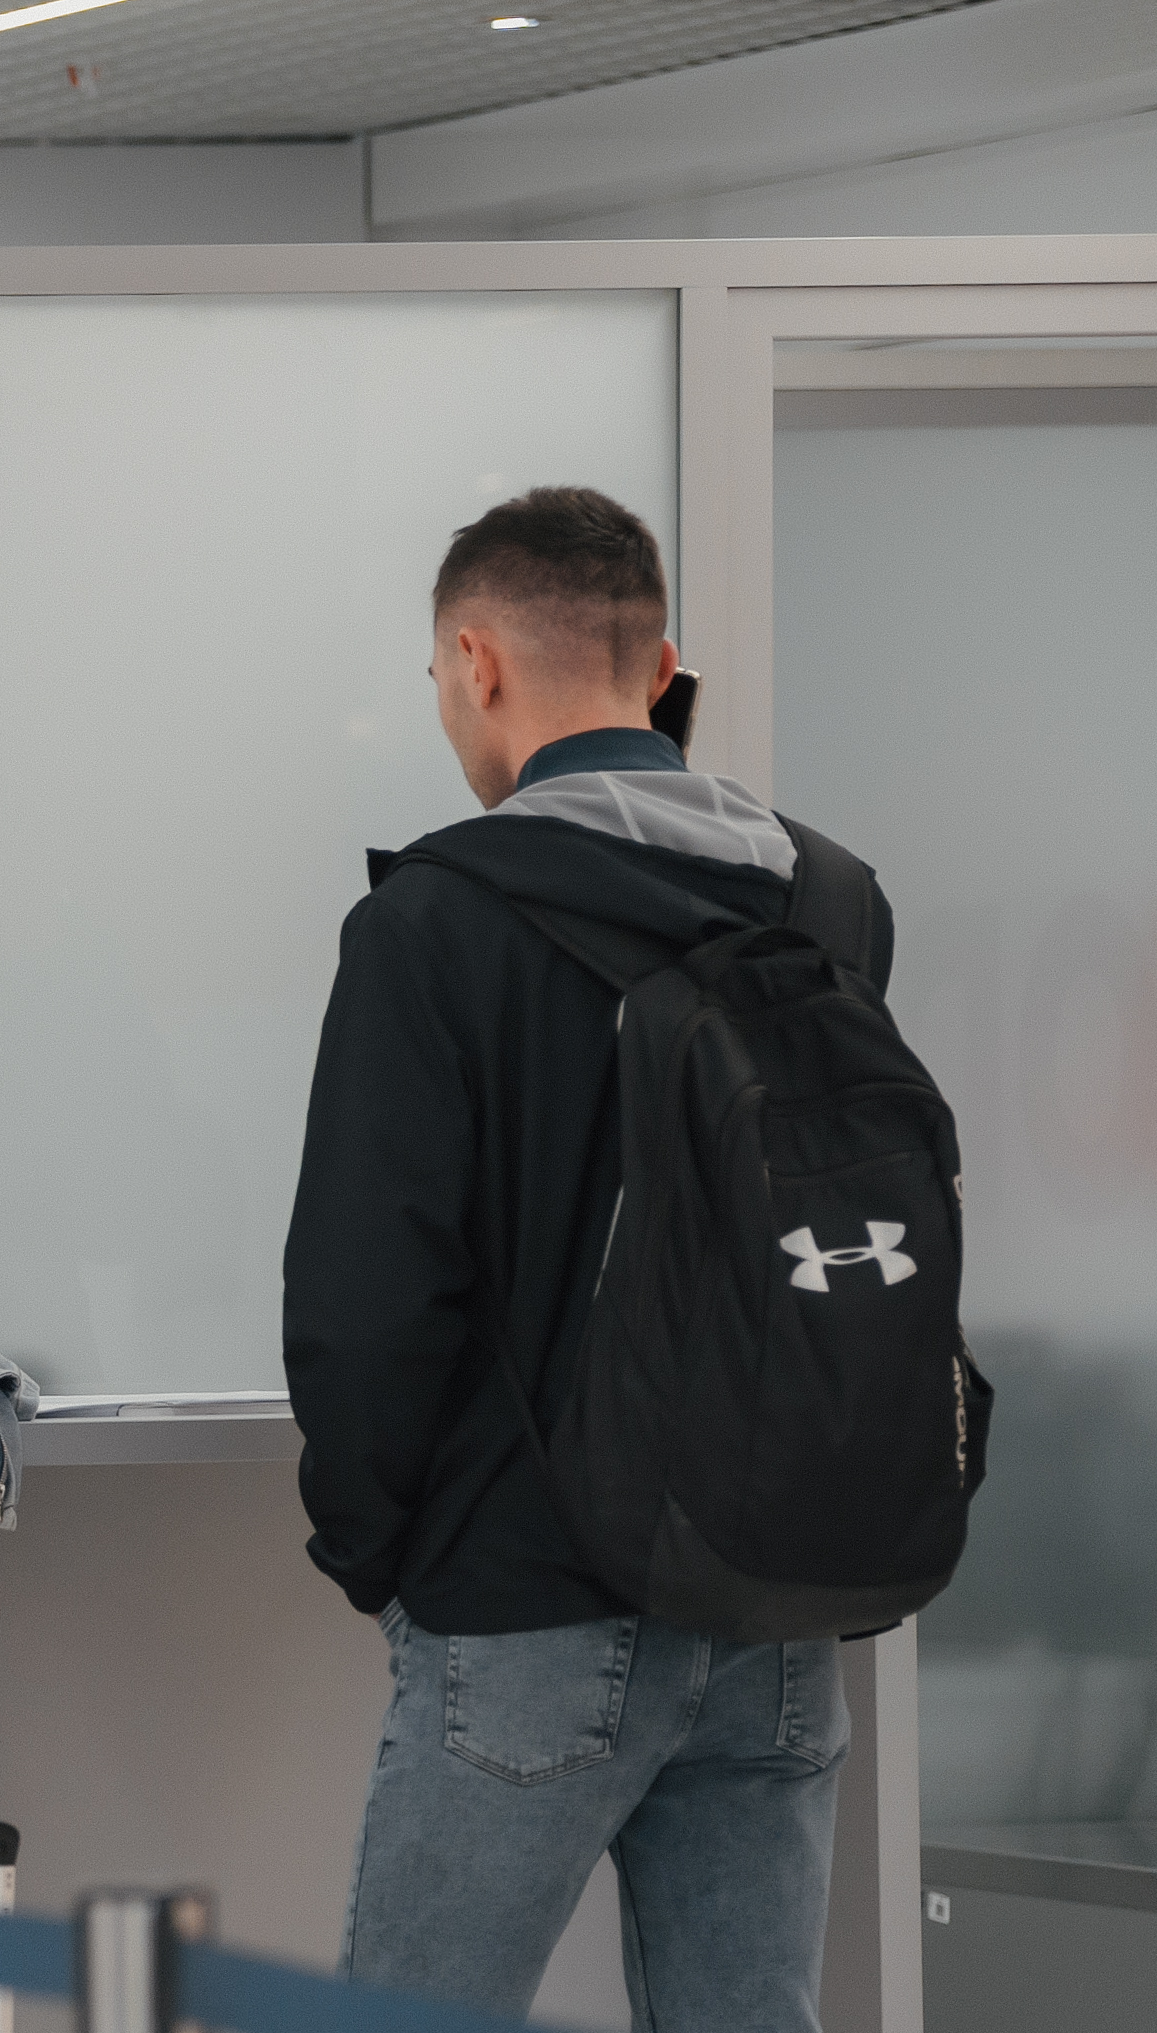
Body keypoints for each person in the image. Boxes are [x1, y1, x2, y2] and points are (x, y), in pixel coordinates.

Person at [283, 488, 891, 2029]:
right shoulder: (829, 901)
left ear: (476, 662)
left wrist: (385, 1563)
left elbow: (365, 1309)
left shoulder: (432, 920)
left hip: (521, 1602)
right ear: (660, 666)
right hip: (776, 1603)